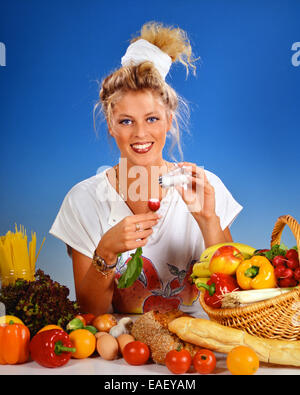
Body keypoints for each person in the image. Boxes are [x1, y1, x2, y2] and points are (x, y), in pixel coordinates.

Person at [50, 22, 243, 316]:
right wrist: (106, 252)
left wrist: (208, 221)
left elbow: (232, 298)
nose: (140, 133)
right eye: (126, 121)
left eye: (152, 119)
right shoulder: (83, 200)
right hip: (123, 354)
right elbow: (92, 313)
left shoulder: (204, 187)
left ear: (169, 120)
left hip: (193, 348)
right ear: (111, 126)